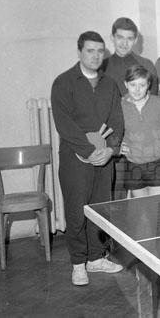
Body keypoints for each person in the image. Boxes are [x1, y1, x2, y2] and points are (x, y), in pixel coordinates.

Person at [51, 31, 124, 286]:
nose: (95, 56)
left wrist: (110, 150)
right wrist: (88, 150)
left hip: (104, 158)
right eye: (90, 50)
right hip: (75, 159)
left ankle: (95, 258)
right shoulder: (63, 83)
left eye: (100, 51)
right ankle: (78, 264)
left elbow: (117, 121)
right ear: (79, 51)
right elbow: (64, 124)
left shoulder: (110, 85)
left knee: (100, 210)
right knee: (76, 211)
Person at [120, 65, 160, 197]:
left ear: (148, 84)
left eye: (142, 85)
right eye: (133, 85)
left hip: (158, 163)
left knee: (158, 205)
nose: (137, 90)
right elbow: (112, 129)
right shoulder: (119, 106)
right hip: (133, 163)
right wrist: (117, 145)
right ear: (126, 84)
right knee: (141, 207)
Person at [102, 17, 158, 96]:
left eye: (129, 39)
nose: (124, 43)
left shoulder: (147, 65)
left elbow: (153, 99)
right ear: (112, 38)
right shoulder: (102, 67)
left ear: (135, 40)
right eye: (120, 37)